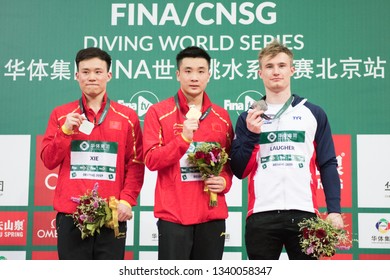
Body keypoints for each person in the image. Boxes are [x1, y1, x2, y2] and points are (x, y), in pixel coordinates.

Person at [230, 40, 344, 260]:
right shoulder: (248, 117)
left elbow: (328, 163)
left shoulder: (313, 113)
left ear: (292, 70)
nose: (276, 72)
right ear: (260, 73)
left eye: (282, 66)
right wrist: (253, 134)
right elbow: (239, 170)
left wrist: (334, 210)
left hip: (304, 214)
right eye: (269, 66)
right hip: (261, 215)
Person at [41, 47, 144, 260]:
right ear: (76, 75)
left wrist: (127, 199)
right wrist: (65, 132)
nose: (92, 77)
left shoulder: (127, 117)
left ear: (109, 75)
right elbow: (49, 161)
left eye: (98, 72)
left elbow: (135, 163)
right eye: (85, 72)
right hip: (71, 216)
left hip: (111, 214)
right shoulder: (61, 115)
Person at [143, 46, 234, 260]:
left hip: (212, 217)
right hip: (174, 217)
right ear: (178, 74)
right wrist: (183, 139)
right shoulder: (158, 112)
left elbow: (229, 165)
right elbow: (151, 160)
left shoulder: (221, 117)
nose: (194, 77)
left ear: (209, 75)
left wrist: (224, 182)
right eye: (188, 71)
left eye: (201, 71)